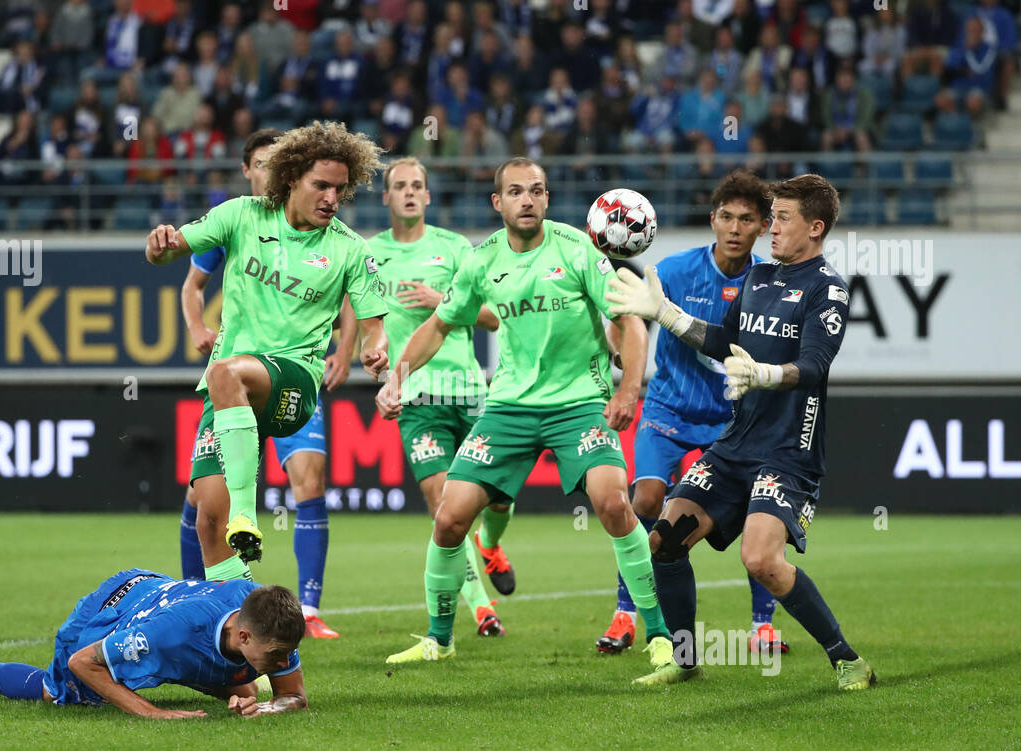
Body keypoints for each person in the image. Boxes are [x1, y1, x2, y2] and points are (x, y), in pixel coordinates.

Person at [377, 157, 671, 666]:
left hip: (578, 403)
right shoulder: (481, 259)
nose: (527, 200)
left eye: (536, 190)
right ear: (499, 203)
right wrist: (397, 379)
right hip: (509, 406)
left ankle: (660, 635)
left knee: (613, 505)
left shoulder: (580, 248)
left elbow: (631, 320)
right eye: (516, 192)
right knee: (448, 518)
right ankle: (439, 639)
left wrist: (627, 391)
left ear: (548, 199)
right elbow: (439, 325)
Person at [605, 173, 876, 691]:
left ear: (815, 228)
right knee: (663, 540)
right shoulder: (760, 279)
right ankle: (683, 661)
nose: (770, 228)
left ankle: (846, 658)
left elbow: (815, 366)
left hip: (787, 454)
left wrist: (767, 375)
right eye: (770, 217)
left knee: (759, 560)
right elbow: (725, 338)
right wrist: (665, 313)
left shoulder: (829, 289)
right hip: (734, 448)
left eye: (782, 218)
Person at [145, 121, 389, 583]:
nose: (332, 199)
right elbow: (172, 250)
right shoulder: (241, 215)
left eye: (340, 189)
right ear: (292, 177)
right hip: (229, 392)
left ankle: (246, 512)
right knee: (207, 522)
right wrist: (157, 246)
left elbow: (376, 326)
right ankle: (238, 640)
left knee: (224, 373)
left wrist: (375, 350)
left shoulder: (351, 249)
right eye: (321, 186)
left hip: (293, 381)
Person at [597, 170, 791, 659]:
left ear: (762, 227)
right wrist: (621, 366)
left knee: (756, 514)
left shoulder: (769, 283)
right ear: (712, 219)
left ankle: (762, 625)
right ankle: (626, 613)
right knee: (643, 502)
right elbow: (629, 323)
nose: (734, 227)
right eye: (726, 216)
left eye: (746, 219)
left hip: (732, 420)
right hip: (668, 408)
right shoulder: (676, 271)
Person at [177, 128, 356, 640]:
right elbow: (191, 283)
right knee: (205, 507)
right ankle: (213, 613)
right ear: (251, 170)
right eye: (259, 164)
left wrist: (345, 352)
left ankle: (311, 604)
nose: (265, 173)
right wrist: (197, 329)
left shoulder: (337, 244)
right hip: (233, 380)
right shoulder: (238, 221)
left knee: (309, 480)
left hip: (287, 376)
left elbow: (352, 299)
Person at [368, 157, 514, 637]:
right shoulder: (370, 255)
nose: (409, 193)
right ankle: (481, 607)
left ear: (428, 197)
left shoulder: (455, 249)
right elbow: (361, 318)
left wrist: (445, 303)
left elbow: (495, 317)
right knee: (444, 507)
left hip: (471, 392)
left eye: (417, 186)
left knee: (496, 499)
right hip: (418, 399)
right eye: (399, 186)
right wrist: (365, 356)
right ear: (386, 197)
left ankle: (491, 546)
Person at [0, 571, 307, 718]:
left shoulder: (266, 613)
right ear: (243, 636)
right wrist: (153, 713)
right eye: (276, 654)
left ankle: (230, 685)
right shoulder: (172, 634)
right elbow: (82, 662)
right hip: (111, 612)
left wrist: (266, 707)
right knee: (54, 692)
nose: (285, 661)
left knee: (243, 685)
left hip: (153, 588)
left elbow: (295, 698)